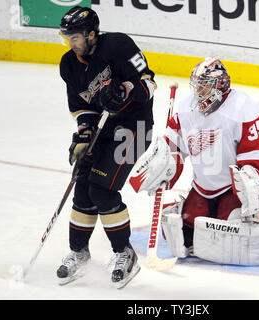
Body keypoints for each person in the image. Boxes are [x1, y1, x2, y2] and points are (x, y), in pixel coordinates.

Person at [129, 57, 259, 266]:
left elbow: (256, 160)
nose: (198, 91)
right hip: (203, 189)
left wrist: (249, 186)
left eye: (204, 85)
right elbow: (173, 150)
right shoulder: (186, 108)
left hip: (234, 191)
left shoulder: (242, 107)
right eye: (197, 85)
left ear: (220, 85)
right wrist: (164, 166)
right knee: (182, 235)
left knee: (230, 235)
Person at [57, 6, 156, 288]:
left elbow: (149, 83)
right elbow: (83, 108)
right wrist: (84, 135)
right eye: (67, 38)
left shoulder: (118, 45)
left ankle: (125, 254)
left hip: (136, 125)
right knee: (83, 184)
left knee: (102, 188)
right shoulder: (69, 64)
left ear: (91, 34)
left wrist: (126, 90)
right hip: (106, 128)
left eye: (75, 37)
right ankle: (79, 253)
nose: (71, 43)